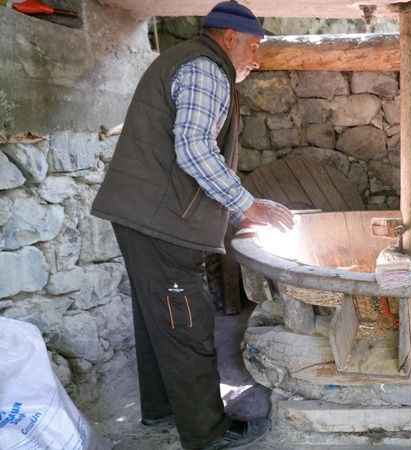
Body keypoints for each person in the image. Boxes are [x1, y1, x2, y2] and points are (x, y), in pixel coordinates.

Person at [91, 2, 294, 448]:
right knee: (187, 322)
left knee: (157, 317)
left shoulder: (192, 62)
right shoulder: (206, 69)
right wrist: (246, 205)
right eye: (253, 46)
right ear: (228, 38)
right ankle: (206, 435)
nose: (256, 59)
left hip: (142, 216)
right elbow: (194, 148)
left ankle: (162, 411)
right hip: (162, 222)